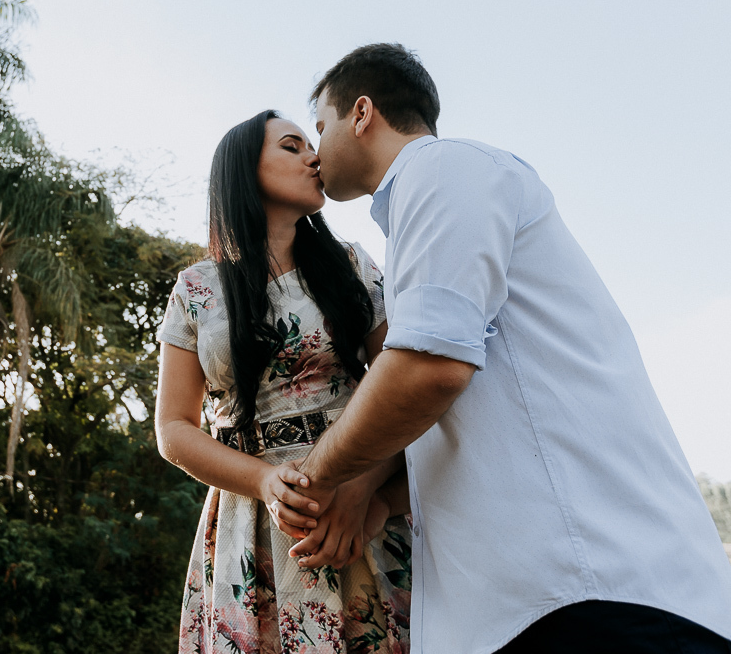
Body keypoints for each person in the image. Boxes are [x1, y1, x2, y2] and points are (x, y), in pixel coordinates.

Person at [277, 43, 731, 653]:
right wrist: (379, 497)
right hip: (530, 607)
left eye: (319, 127)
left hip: (588, 594)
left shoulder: (441, 169)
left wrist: (315, 477)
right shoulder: (431, 200)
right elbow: (474, 413)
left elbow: (428, 370)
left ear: (362, 114)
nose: (314, 149)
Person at [155, 110, 413, 654]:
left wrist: (364, 489)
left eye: (309, 145)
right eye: (292, 147)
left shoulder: (350, 266)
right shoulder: (196, 288)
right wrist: (262, 482)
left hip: (353, 511)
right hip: (249, 519)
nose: (314, 157)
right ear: (244, 170)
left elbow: (406, 388)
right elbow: (174, 430)